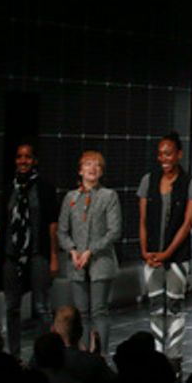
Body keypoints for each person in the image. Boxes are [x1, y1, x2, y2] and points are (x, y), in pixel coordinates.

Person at [0, 142, 59, 357]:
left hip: (37, 253)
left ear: (35, 160)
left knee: (42, 307)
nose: (23, 161)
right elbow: (1, 224)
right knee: (12, 307)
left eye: (28, 157)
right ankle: (14, 355)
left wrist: (53, 256)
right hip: (11, 254)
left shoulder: (45, 187)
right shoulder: (9, 188)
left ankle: (42, 356)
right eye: (20, 157)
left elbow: (52, 223)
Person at [137, 133, 192, 377]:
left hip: (176, 258)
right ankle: (155, 359)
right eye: (161, 153)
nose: (164, 158)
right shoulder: (148, 180)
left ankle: (173, 361)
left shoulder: (191, 183)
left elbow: (187, 224)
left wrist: (166, 254)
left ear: (179, 154)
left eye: (169, 153)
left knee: (174, 307)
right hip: (152, 256)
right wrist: (146, 251)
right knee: (155, 307)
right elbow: (143, 219)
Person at [57, 150, 122, 355]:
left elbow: (114, 231)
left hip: (100, 263)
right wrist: (73, 250)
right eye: (88, 164)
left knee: (99, 311)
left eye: (97, 165)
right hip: (77, 264)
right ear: (80, 170)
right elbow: (62, 231)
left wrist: (90, 251)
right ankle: (84, 355)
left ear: (101, 171)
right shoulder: (71, 198)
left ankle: (101, 356)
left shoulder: (109, 196)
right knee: (82, 313)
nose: (92, 169)